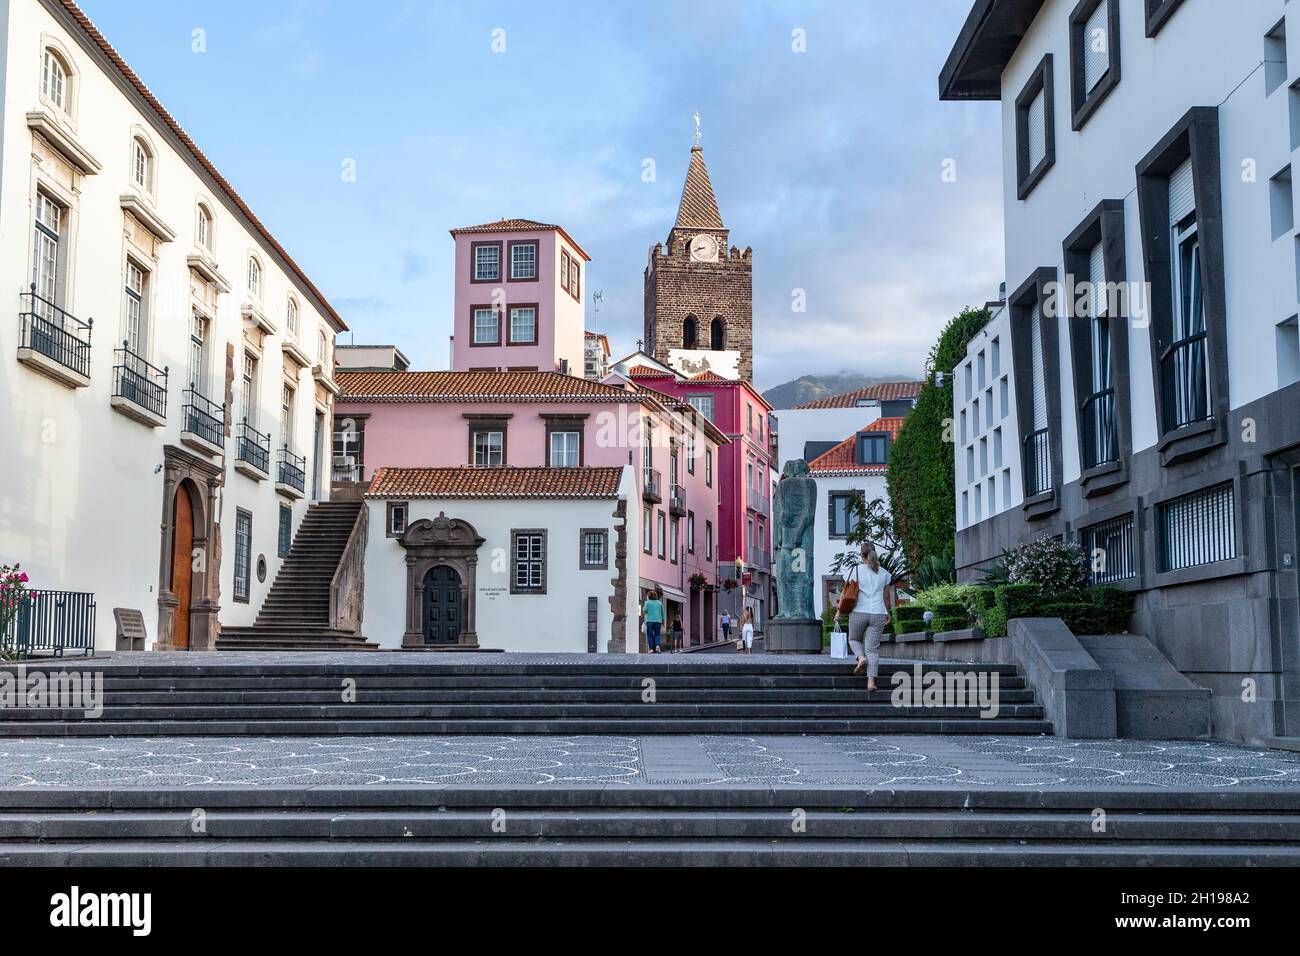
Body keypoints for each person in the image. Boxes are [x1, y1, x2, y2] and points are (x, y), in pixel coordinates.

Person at [845, 544, 893, 692]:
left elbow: (846, 592)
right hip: (878, 613)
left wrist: (839, 611)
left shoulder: (854, 570)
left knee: (853, 639)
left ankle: (860, 658)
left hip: (859, 611)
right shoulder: (885, 573)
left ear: (862, 555)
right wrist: (888, 612)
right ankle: (871, 682)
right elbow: (886, 597)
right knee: (872, 649)